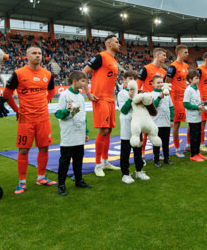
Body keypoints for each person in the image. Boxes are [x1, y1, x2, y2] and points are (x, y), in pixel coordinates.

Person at [4, 45, 57, 195]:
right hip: (26, 119)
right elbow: (6, 94)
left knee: (44, 148)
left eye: (40, 53)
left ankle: (41, 177)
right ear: (27, 56)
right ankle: (22, 182)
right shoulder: (18, 73)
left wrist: (44, 101)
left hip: (43, 118)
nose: (37, 56)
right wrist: (17, 110)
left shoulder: (47, 74)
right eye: (34, 53)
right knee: (23, 150)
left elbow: (52, 90)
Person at [83, 34, 121, 178]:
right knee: (103, 130)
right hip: (101, 98)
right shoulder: (101, 57)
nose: (119, 44)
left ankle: (105, 161)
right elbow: (84, 72)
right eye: (116, 42)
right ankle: (97, 164)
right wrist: (88, 93)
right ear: (109, 44)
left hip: (111, 99)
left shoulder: (114, 60)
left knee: (109, 130)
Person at [54, 70, 92, 196]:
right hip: (68, 134)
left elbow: (83, 115)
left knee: (78, 159)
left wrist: (85, 131)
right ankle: (61, 185)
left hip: (79, 133)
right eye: (83, 81)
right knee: (64, 161)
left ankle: (79, 180)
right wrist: (67, 111)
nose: (85, 84)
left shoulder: (81, 97)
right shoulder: (64, 95)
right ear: (74, 81)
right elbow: (58, 114)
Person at [118, 70, 149, 184]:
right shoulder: (121, 93)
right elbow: (124, 110)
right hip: (127, 126)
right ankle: (125, 174)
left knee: (138, 150)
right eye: (130, 78)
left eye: (134, 79)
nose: (132, 81)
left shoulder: (139, 93)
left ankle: (139, 171)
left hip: (138, 126)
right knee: (125, 151)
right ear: (125, 80)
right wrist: (130, 98)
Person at [137, 47, 167, 158]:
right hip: (147, 102)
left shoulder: (163, 72)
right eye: (163, 55)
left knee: (157, 128)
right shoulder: (146, 69)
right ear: (157, 55)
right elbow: (137, 85)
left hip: (158, 102)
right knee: (145, 129)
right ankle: (142, 154)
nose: (165, 57)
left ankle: (157, 153)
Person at [166, 45, 189, 158]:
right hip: (176, 99)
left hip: (185, 98)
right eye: (185, 52)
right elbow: (168, 82)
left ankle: (188, 145)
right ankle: (177, 148)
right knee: (177, 124)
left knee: (191, 121)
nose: (187, 54)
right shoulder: (173, 67)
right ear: (179, 53)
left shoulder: (186, 66)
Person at [150, 75, 174, 167]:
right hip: (156, 123)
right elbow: (152, 107)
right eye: (158, 83)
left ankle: (166, 158)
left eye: (161, 82)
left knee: (166, 142)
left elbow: (171, 107)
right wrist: (159, 97)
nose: (160, 84)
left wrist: (171, 119)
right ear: (153, 84)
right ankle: (156, 160)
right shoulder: (151, 94)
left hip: (166, 123)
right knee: (156, 142)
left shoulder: (167, 94)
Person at [183, 70, 207, 162]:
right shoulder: (188, 90)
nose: (198, 80)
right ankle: (193, 155)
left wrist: (203, 104)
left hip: (198, 116)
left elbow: (197, 101)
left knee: (198, 135)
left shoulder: (197, 89)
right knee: (194, 136)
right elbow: (185, 104)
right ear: (190, 80)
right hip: (192, 117)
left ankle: (197, 153)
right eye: (196, 78)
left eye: (198, 78)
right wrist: (197, 107)